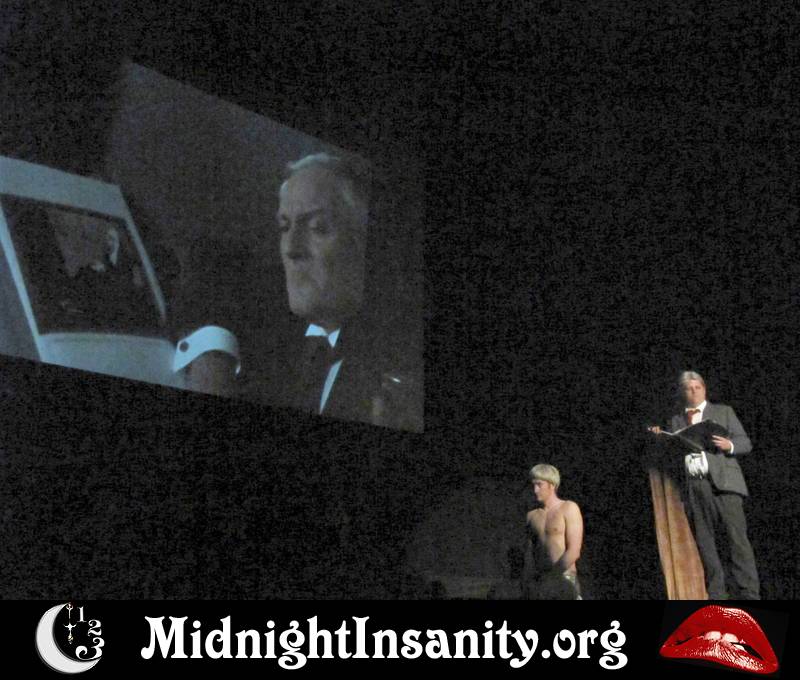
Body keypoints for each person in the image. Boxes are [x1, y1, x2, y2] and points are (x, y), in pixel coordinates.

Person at [242, 152, 422, 430]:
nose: (291, 249)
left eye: (317, 227)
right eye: (284, 227)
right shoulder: (263, 351)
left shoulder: (405, 362)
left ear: (364, 243)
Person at [649, 371, 759, 599]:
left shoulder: (723, 411)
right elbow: (671, 455)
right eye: (688, 389)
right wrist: (661, 439)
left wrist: (729, 445)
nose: (694, 392)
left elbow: (745, 442)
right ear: (682, 393)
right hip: (695, 488)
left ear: (704, 389)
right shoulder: (676, 420)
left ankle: (748, 593)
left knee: (736, 541)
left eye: (697, 387)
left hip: (725, 485)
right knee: (706, 544)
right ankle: (717, 595)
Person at [524, 463, 583, 599]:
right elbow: (529, 553)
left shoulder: (568, 508)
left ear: (552, 485)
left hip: (564, 578)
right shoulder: (532, 515)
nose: (535, 490)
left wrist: (552, 577)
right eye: (533, 485)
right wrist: (528, 581)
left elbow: (574, 551)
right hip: (541, 581)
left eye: (539, 485)